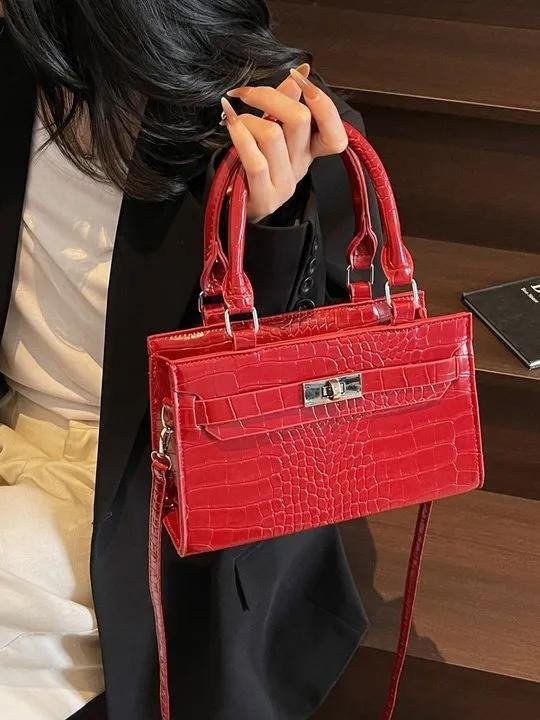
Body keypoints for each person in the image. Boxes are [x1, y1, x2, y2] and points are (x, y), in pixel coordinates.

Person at [0, 2, 384, 719]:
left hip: (159, 489)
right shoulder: (21, 67)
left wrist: (272, 232)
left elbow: (323, 408)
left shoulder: (272, 120)